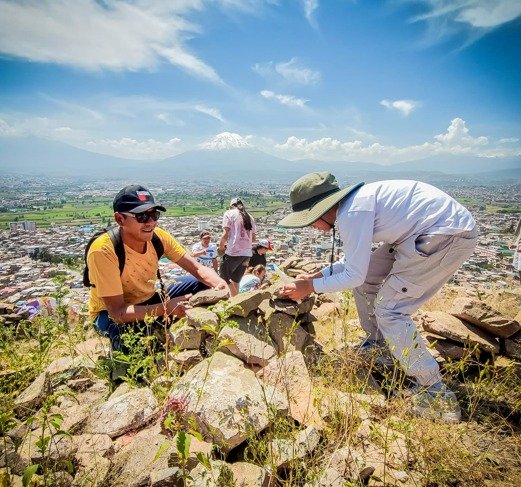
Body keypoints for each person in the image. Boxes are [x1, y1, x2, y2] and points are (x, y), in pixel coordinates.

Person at [278, 172, 477, 422]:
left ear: (322, 210)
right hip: (422, 232)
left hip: (446, 234)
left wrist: (310, 287)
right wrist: (317, 276)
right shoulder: (352, 206)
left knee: (390, 310)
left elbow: (353, 275)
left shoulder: (351, 214)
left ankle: (434, 391)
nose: (312, 227)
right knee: (370, 279)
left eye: (309, 220)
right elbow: (356, 266)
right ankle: (380, 346)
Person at [87, 184, 228, 353]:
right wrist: (164, 309)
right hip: (109, 313)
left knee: (203, 284)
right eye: (141, 217)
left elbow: (197, 269)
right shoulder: (104, 251)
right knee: (129, 341)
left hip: (149, 298)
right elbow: (117, 312)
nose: (151, 222)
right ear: (119, 219)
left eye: (154, 215)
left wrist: (220, 284)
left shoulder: (158, 237)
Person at [219, 197, 257, 296]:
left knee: (223, 277)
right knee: (236, 280)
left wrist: (221, 246)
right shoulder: (250, 217)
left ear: (231, 206)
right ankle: (237, 302)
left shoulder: (229, 213)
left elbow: (225, 234)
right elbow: (253, 238)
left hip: (234, 251)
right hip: (247, 254)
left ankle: (234, 301)